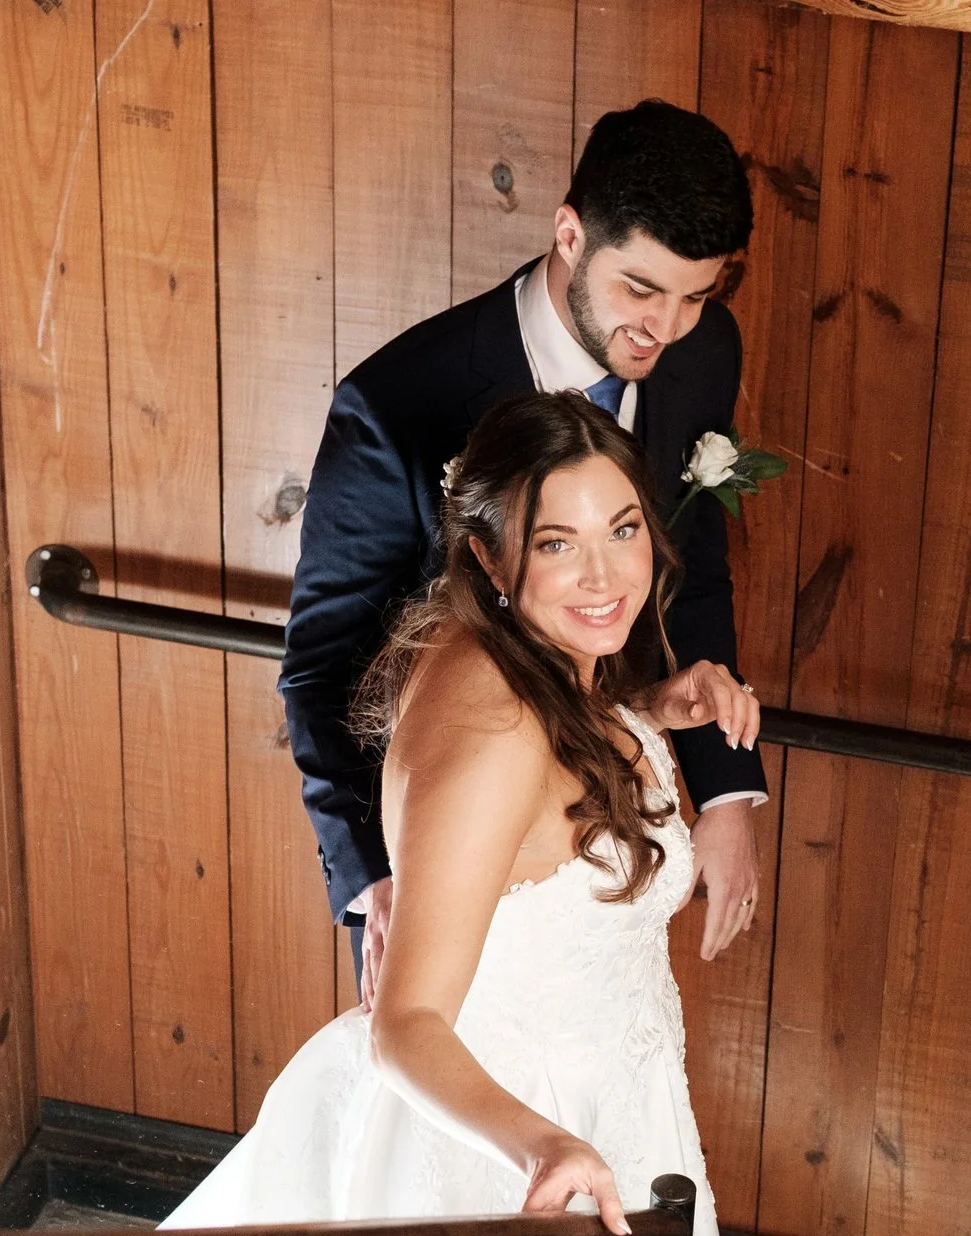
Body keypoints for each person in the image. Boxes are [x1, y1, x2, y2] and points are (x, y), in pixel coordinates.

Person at [171, 391, 760, 1236]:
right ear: (490, 556)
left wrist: (657, 712)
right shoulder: (488, 716)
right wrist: (542, 1147)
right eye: (558, 545)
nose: (605, 573)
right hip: (512, 1135)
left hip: (620, 1091)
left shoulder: (536, 676)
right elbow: (407, 1021)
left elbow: (554, 824)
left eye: (623, 529)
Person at [284, 99, 769, 1006]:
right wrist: (375, 880)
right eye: (640, 289)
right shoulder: (396, 406)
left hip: (611, 863)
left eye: (695, 297)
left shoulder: (704, 357)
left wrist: (728, 791)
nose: (663, 330)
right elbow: (319, 670)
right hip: (459, 865)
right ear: (571, 234)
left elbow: (692, 572)